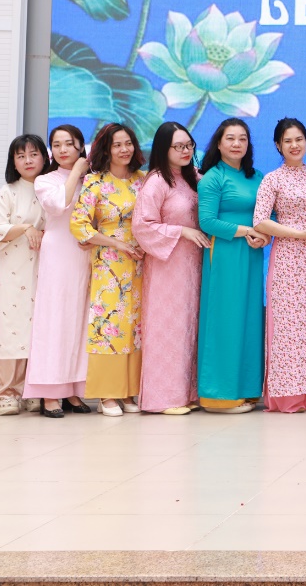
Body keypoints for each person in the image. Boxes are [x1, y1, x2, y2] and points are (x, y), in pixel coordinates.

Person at [252, 117, 306, 413]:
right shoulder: (272, 179)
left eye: (299, 139)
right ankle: (287, 396)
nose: (294, 145)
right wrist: (300, 234)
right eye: (287, 140)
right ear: (278, 146)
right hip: (288, 258)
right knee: (289, 328)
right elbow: (260, 221)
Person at [70, 123, 146, 417]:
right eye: (117, 145)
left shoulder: (142, 180)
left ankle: (128, 391)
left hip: (141, 262)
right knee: (110, 323)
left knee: (135, 326)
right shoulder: (95, 182)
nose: (124, 149)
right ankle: (107, 394)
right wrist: (115, 243)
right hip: (109, 263)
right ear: (106, 149)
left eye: (128, 143)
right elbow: (79, 225)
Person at [195, 118, 268, 413]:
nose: (237, 144)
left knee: (249, 319)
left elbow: (269, 215)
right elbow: (207, 221)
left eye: (242, 139)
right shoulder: (213, 178)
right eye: (230, 138)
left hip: (252, 252)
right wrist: (246, 231)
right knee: (224, 319)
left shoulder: (257, 177)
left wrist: (263, 235)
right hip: (224, 252)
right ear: (219, 143)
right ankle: (219, 395)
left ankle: (247, 390)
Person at [134, 122, 206, 415]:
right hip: (167, 266)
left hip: (194, 264)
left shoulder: (194, 178)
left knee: (191, 327)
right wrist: (182, 231)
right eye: (178, 146)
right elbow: (142, 226)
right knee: (168, 328)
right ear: (164, 149)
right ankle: (163, 398)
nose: (185, 151)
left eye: (189, 145)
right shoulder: (156, 181)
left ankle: (187, 393)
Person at [25, 125, 93, 417]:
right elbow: (58, 206)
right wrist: (77, 171)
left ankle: (74, 388)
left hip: (86, 253)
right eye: (57, 144)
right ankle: (50, 392)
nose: (63, 149)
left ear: (80, 146)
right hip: (58, 252)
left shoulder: (94, 180)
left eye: (69, 143)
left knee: (81, 319)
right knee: (55, 319)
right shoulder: (46, 180)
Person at [0, 134, 52, 416]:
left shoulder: (51, 189)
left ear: (44, 158)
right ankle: (6, 393)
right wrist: (26, 228)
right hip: (11, 271)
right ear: (13, 162)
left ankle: (31, 390)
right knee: (10, 327)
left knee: (37, 328)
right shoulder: (8, 192)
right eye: (21, 156)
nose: (28, 160)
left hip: (44, 268)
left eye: (33, 154)